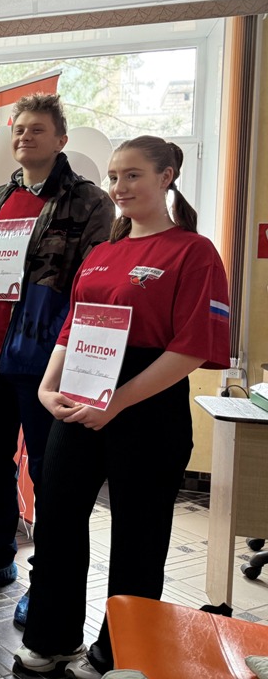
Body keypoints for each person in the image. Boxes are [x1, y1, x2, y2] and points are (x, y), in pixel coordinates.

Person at [13, 136, 230, 679]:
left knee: (139, 535)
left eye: (133, 175)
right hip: (81, 396)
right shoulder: (102, 253)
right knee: (58, 518)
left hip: (148, 405)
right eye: (113, 176)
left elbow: (192, 347)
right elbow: (73, 327)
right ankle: (51, 638)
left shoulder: (193, 251)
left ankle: (118, 652)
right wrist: (46, 388)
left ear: (166, 177)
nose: (119, 187)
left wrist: (119, 403)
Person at [0, 94, 115, 597]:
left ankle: (48, 587)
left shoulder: (90, 201)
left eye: (37, 129)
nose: (24, 137)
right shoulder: (0, 195)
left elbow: (93, 283)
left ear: (61, 139)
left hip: (45, 361)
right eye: (18, 129)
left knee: (49, 472)